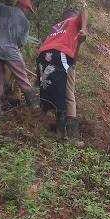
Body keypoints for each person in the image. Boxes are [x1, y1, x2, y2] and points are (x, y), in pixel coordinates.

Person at [36, 8, 88, 140]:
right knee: (68, 94)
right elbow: (84, 12)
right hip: (60, 55)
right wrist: (83, 29)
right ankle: (71, 138)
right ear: (72, 17)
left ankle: (54, 130)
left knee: (51, 89)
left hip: (43, 55)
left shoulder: (55, 28)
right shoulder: (73, 21)